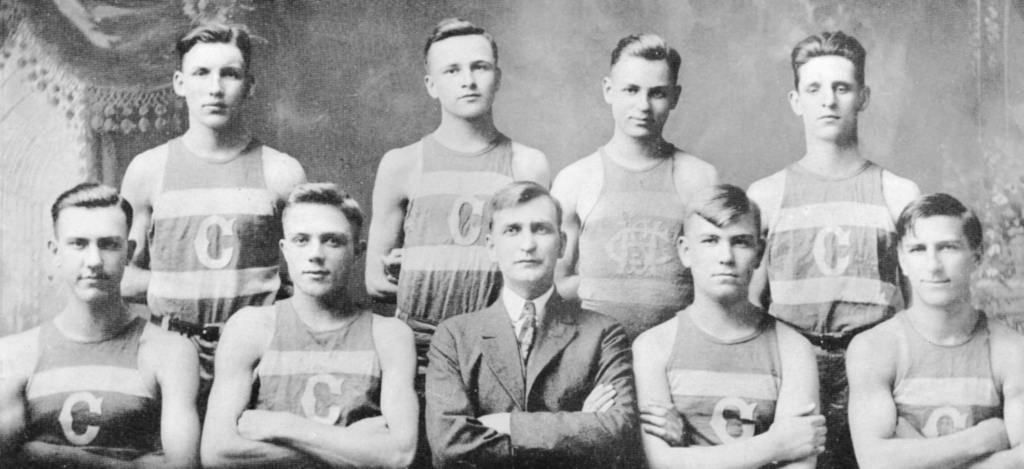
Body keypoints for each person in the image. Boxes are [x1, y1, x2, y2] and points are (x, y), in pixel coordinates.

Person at [746, 31, 920, 468]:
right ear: (795, 100)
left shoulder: (897, 193)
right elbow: (751, 302)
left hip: (876, 372)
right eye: (815, 89)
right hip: (793, 370)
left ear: (862, 96)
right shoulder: (767, 194)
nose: (829, 100)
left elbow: (917, 306)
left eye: (842, 88)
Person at [365, 17, 550, 365]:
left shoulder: (527, 165)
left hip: (500, 346)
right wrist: (413, 272)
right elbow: (375, 283)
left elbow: (537, 275)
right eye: (452, 71)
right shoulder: (402, 164)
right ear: (431, 85)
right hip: (416, 348)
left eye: (479, 67)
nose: (468, 81)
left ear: (498, 77)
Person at [201, 183, 418, 468]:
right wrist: (355, 447)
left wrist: (282, 427)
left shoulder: (389, 335)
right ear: (285, 250)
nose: (316, 254)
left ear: (357, 251)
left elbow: (399, 456)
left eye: (333, 241)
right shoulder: (251, 328)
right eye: (302, 240)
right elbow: (217, 454)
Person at [426, 181, 638, 469]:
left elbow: (617, 434)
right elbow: (449, 448)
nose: (527, 245)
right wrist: (582, 427)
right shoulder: (454, 336)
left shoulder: (603, 334)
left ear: (562, 244)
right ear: (491, 246)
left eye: (541, 228)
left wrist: (507, 424)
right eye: (512, 230)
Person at [0, 183, 200, 468]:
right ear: (55, 252)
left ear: (128, 253)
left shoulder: (170, 353)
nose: (94, 261)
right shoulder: (15, 354)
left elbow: (183, 467)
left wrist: (54, 456)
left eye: (108, 244)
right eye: (79, 244)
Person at [121, 22, 307, 327]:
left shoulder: (282, 172)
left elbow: (306, 277)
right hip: (172, 349)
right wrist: (192, 288)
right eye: (201, 73)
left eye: (230, 74)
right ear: (180, 83)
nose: (215, 88)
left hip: (259, 349)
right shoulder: (148, 170)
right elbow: (123, 276)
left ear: (250, 85)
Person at [634, 184, 824, 469]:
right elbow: (662, 464)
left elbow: (799, 463)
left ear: (759, 253)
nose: (726, 256)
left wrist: (687, 457)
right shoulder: (653, 347)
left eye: (741, 241)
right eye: (710, 240)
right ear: (685, 251)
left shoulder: (793, 349)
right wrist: (775, 445)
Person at [552, 33, 718, 341]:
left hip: (677, 355)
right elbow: (552, 285)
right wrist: (604, 286)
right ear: (608, 90)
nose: (642, 105)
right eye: (631, 90)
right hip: (597, 358)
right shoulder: (574, 179)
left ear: (675, 97)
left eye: (657, 93)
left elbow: (716, 283)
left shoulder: (700, 179)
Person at [847, 193, 1024, 468]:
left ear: (976, 258)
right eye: (918, 249)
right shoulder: (874, 348)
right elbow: (875, 461)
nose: (933, 265)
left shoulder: (1011, 350)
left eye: (949, 247)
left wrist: (915, 455)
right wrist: (983, 439)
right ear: (902, 261)